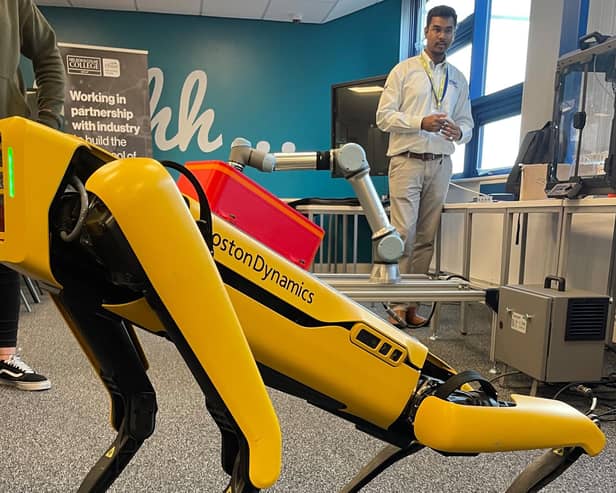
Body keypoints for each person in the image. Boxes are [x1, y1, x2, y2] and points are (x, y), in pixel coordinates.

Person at [376, 5, 473, 328]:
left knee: (426, 239)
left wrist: (460, 132)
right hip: (407, 161)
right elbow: (384, 117)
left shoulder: (458, 79)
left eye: (447, 30)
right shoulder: (403, 71)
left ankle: (411, 303)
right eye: (436, 29)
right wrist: (421, 121)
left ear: (453, 34)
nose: (441, 36)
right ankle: (395, 304)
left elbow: (468, 123)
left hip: (442, 164)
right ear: (426, 32)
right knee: (402, 234)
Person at [0, 0, 66, 390]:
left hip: (5, 137)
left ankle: (4, 356)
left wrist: (49, 121)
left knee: (4, 243)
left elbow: (48, 54)